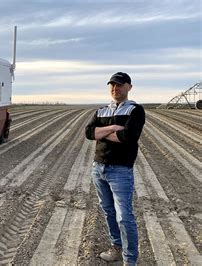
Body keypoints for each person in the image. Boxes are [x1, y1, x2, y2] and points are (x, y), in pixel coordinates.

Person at [85, 72, 145, 265]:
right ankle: (116, 248)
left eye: (119, 84)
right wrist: (113, 129)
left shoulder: (135, 110)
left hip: (120, 170)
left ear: (129, 87)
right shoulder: (101, 110)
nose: (115, 88)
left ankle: (130, 260)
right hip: (98, 168)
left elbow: (127, 137)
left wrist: (101, 133)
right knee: (109, 211)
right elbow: (89, 133)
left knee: (124, 216)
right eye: (112, 85)